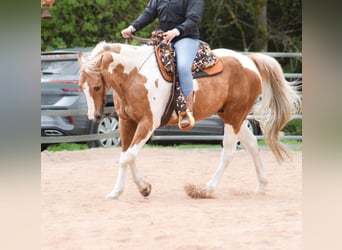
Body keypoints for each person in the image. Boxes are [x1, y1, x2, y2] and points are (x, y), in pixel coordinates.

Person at [121, 0, 205, 131]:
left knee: (182, 67)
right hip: (164, 39)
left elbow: (194, 18)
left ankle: (187, 110)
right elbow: (148, 14)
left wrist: (176, 31)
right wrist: (132, 28)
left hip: (185, 38)